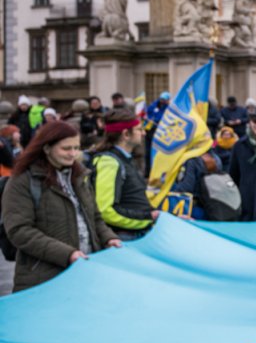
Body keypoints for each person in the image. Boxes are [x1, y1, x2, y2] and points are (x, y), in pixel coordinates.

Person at [1, 121, 120, 292]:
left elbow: (94, 218)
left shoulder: (80, 177)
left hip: (86, 271)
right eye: (66, 148)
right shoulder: (23, 180)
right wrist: (68, 254)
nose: (73, 154)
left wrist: (109, 238)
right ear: (47, 148)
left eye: (76, 148)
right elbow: (20, 231)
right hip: (44, 280)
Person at [89, 109, 159, 240]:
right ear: (126, 134)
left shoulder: (126, 159)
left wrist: (157, 215)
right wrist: (147, 218)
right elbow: (105, 211)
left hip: (134, 233)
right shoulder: (109, 162)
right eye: (139, 129)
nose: (143, 133)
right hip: (124, 236)